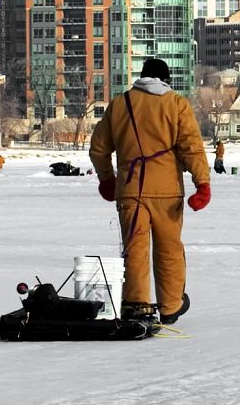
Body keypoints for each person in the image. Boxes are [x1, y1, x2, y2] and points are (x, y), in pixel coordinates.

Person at [90, 57, 210, 327]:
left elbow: (98, 147)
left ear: (142, 76)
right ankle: (170, 305)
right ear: (166, 78)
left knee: (135, 250)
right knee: (169, 250)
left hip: (131, 191)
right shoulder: (176, 104)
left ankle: (136, 306)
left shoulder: (121, 103)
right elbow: (191, 146)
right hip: (167, 193)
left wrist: (107, 179)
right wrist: (202, 183)